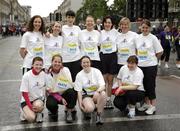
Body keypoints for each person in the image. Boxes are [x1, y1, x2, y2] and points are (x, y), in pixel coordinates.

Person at [135, 19, 163, 115]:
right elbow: (136, 51)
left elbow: (160, 51)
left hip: (151, 66)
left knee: (150, 86)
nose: (145, 29)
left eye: (147, 27)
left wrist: (154, 59)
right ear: (140, 27)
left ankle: (153, 106)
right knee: (143, 85)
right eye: (143, 27)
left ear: (150, 28)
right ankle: (146, 104)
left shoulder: (153, 38)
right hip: (140, 66)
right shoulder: (137, 38)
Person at [74, 56, 107, 124]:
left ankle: (98, 114)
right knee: (89, 109)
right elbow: (79, 92)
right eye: (84, 62)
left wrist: (97, 92)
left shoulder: (96, 71)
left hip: (96, 94)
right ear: (81, 64)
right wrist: (80, 105)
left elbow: (103, 86)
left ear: (90, 63)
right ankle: (89, 107)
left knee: (103, 94)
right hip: (86, 95)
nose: (86, 64)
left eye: (87, 62)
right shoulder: (79, 75)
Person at [46, 54, 77, 123]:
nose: (57, 63)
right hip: (54, 95)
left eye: (59, 62)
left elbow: (70, 85)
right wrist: (60, 98)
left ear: (61, 63)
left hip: (65, 93)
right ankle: (54, 111)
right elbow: (50, 91)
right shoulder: (48, 74)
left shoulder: (65, 70)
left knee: (72, 91)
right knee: (50, 104)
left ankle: (69, 111)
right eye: (55, 61)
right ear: (52, 62)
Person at [99, 16, 119, 109]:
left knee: (110, 81)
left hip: (112, 56)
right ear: (103, 23)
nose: (107, 24)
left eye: (109, 22)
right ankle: (102, 100)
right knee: (104, 81)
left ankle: (108, 99)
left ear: (112, 24)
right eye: (106, 22)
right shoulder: (100, 33)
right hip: (103, 57)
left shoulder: (115, 32)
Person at [19, 57, 46, 123]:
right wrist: (30, 107)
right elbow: (24, 94)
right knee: (31, 118)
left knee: (38, 106)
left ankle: (38, 113)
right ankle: (23, 112)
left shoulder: (43, 74)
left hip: (37, 100)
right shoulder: (26, 76)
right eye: (36, 64)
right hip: (27, 100)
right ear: (32, 65)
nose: (38, 66)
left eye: (40, 65)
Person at [61, 10, 81, 82]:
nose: (70, 19)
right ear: (66, 18)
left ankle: (75, 93)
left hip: (76, 58)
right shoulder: (62, 28)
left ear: (74, 19)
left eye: (72, 17)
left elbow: (80, 42)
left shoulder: (77, 28)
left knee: (75, 79)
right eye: (69, 17)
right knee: (66, 80)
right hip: (66, 58)